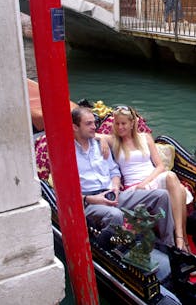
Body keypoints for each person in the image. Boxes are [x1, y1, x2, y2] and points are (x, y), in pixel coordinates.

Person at [72, 106, 176, 249]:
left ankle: (169, 246)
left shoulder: (100, 145)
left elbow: (114, 171)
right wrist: (91, 199)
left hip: (113, 195)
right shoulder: (68, 153)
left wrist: (115, 187)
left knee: (162, 196)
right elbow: (67, 193)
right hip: (90, 202)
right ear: (75, 127)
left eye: (94, 122)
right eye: (88, 124)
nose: (94, 127)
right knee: (115, 215)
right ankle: (112, 254)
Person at [98, 105, 192, 253]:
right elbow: (92, 134)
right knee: (179, 189)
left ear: (132, 123)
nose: (120, 127)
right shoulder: (114, 141)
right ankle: (183, 244)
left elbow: (160, 166)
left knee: (172, 177)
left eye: (123, 123)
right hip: (135, 189)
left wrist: (145, 182)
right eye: (117, 123)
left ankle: (181, 238)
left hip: (151, 179)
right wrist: (102, 140)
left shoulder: (145, 138)